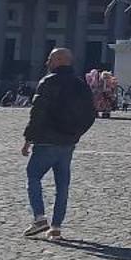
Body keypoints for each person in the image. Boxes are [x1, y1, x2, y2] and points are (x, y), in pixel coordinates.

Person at [22, 46, 97, 241]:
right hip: (68, 143)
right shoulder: (81, 85)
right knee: (62, 186)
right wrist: (76, 133)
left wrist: (28, 139)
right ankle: (55, 228)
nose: (47, 62)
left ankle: (39, 218)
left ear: (57, 61)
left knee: (33, 176)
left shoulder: (48, 82)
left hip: (46, 141)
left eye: (50, 59)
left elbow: (37, 113)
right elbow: (91, 114)